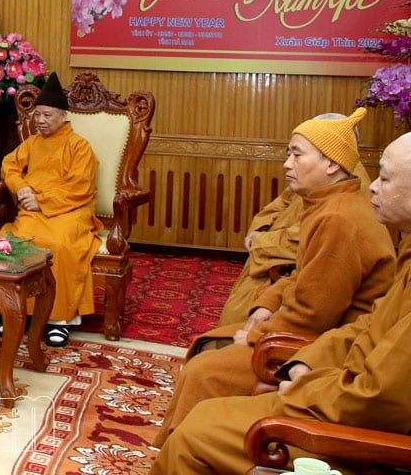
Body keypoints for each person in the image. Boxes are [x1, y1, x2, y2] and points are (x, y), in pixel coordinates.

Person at [153, 132, 411, 474]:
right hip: (330, 369)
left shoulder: (341, 218)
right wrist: (302, 362)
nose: (373, 186)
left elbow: (375, 393)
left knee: (201, 415)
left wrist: (301, 384)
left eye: (385, 177)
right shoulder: (330, 208)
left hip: (348, 411)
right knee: (208, 369)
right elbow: (368, 324)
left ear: (331, 164)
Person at [218, 113, 370, 326]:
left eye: (297, 154)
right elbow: (278, 204)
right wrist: (260, 229)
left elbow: (316, 306)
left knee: (224, 340)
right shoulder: (313, 180)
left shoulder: (347, 198)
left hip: (281, 268)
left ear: (333, 158)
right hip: (271, 259)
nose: (287, 164)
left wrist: (261, 243)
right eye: (289, 153)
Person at [0, 71, 98, 347]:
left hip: (70, 211)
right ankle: (19, 313)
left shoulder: (80, 147)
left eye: (47, 115)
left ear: (64, 116)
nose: (40, 121)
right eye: (37, 115)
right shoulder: (32, 143)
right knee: (17, 242)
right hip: (33, 211)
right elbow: (10, 167)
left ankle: (59, 321)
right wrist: (21, 189)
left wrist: (42, 200)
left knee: (60, 245)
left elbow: (81, 187)